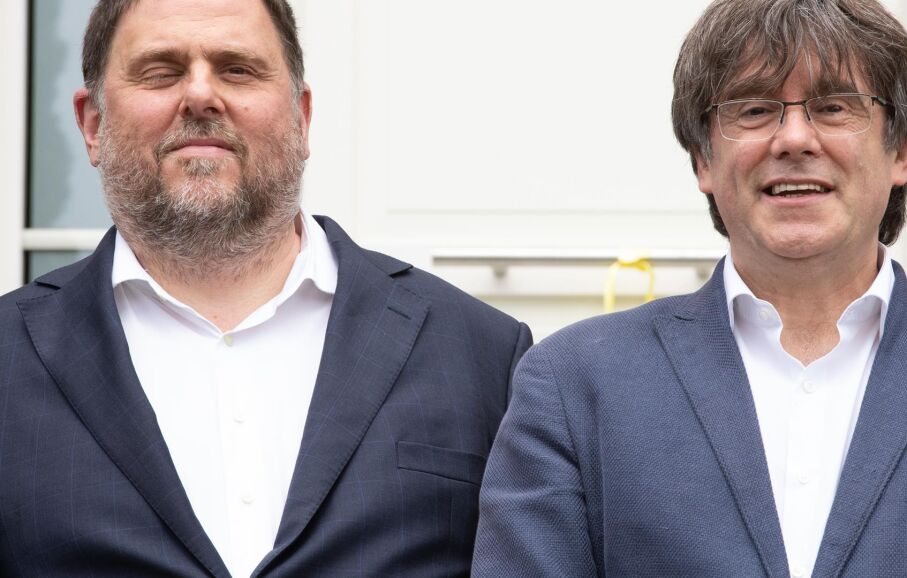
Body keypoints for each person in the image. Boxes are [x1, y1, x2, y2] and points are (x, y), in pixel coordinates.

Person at [472, 0, 907, 576]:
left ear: (903, 151)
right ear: (702, 160)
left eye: (833, 107)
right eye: (755, 110)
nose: (794, 139)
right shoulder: (574, 381)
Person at [0, 0, 531, 576]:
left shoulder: (481, 353)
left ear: (302, 117)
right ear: (92, 125)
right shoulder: (7, 357)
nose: (201, 95)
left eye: (238, 70)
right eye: (160, 72)